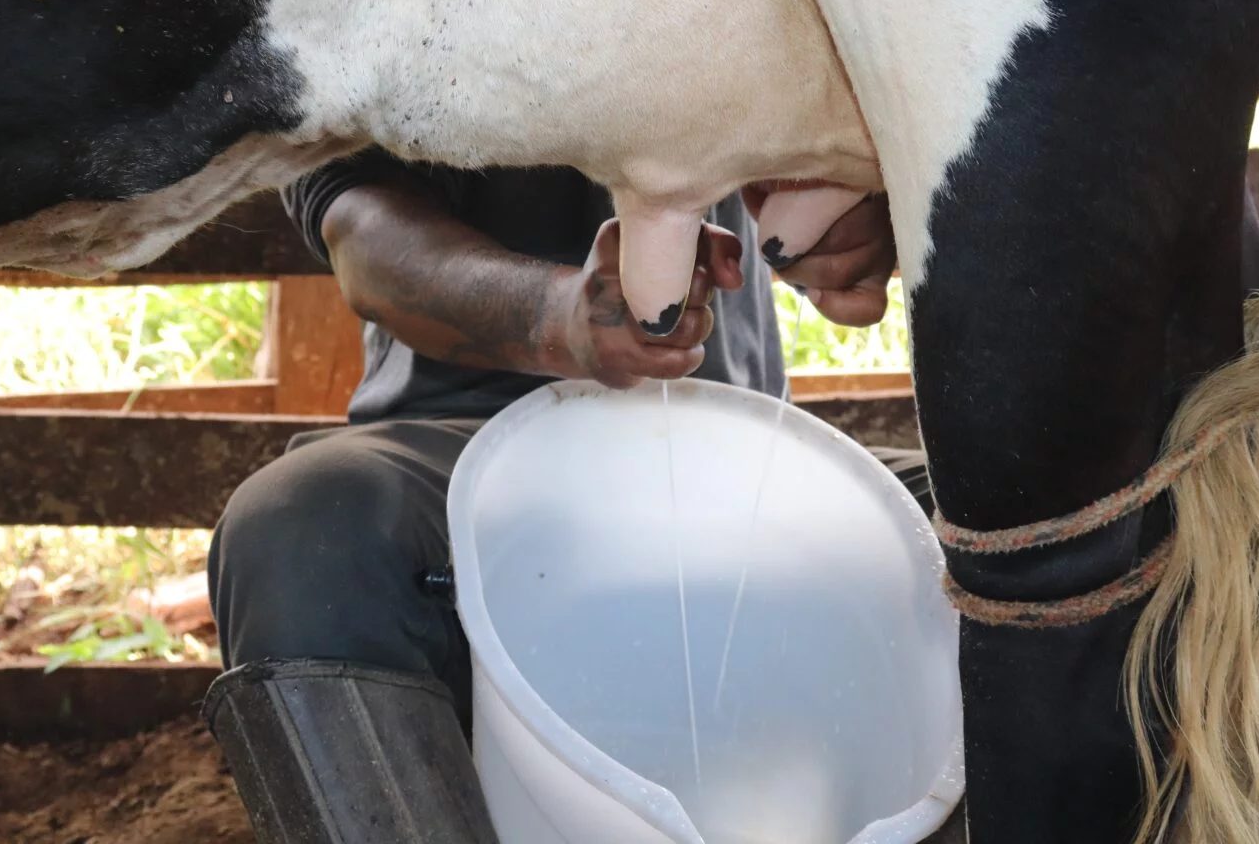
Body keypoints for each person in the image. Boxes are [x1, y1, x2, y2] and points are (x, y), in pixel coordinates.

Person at [200, 147, 918, 843]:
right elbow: (361, 227)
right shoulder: (369, 26)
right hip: (461, 447)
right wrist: (555, 316)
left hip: (728, 448)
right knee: (299, 529)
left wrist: (875, 202)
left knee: (984, 527)